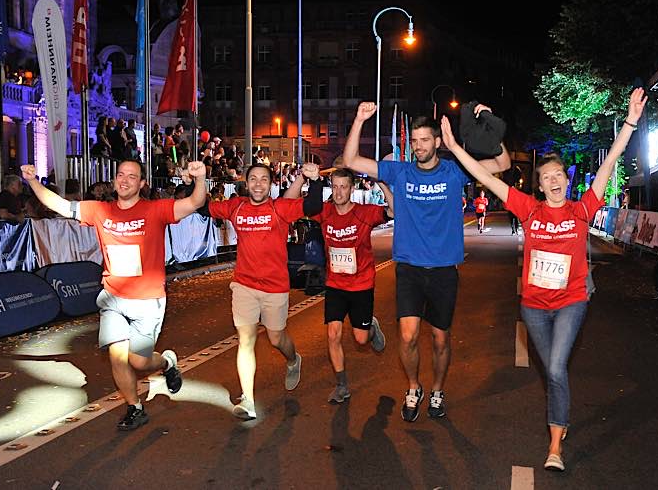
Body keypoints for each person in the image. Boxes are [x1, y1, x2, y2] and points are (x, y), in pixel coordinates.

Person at [439, 87, 646, 471]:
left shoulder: (583, 208)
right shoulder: (528, 209)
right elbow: (482, 174)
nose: (553, 182)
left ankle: (555, 446)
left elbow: (610, 162)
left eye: (557, 176)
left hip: (570, 302)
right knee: (551, 369)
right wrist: (453, 145)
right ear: (538, 185)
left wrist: (631, 120)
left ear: (565, 181)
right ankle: (559, 421)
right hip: (534, 307)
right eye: (546, 177)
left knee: (554, 369)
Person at [343, 101, 511, 422]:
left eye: (424, 140)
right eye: (415, 141)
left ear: (436, 141)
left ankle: (436, 389)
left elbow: (501, 163)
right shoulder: (400, 172)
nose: (419, 146)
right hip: (408, 269)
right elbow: (351, 160)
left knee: (440, 338)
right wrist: (360, 119)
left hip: (444, 271)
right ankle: (413, 386)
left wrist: (488, 126)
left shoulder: (454, 171)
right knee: (407, 336)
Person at [20, 159, 209, 431]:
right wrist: (34, 182)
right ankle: (135, 407)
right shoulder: (100, 211)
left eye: (132, 176)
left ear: (142, 184)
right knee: (118, 356)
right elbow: (60, 205)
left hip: (147, 300)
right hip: (113, 299)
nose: (125, 180)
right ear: (114, 180)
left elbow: (194, 202)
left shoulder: (156, 210)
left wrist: (201, 178)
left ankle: (167, 362)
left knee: (140, 361)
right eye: (121, 174)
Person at [206, 162, 324, 420]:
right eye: (253, 179)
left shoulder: (279, 208)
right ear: (245, 183)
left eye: (264, 179)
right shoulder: (235, 206)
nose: (258, 184)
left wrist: (315, 181)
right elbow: (202, 206)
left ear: (270, 184)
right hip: (244, 284)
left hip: (275, 286)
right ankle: (247, 399)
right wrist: (196, 179)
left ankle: (293, 360)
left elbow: (313, 206)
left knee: (275, 338)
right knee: (245, 340)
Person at [288, 168, 394, 403]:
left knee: (361, 340)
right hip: (335, 284)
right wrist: (303, 178)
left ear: (352, 189)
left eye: (343, 186)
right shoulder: (323, 211)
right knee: (333, 334)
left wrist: (382, 183)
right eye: (334, 187)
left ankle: (372, 328)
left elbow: (395, 210)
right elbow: (289, 204)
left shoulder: (364, 213)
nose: (338, 192)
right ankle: (342, 385)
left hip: (362, 284)